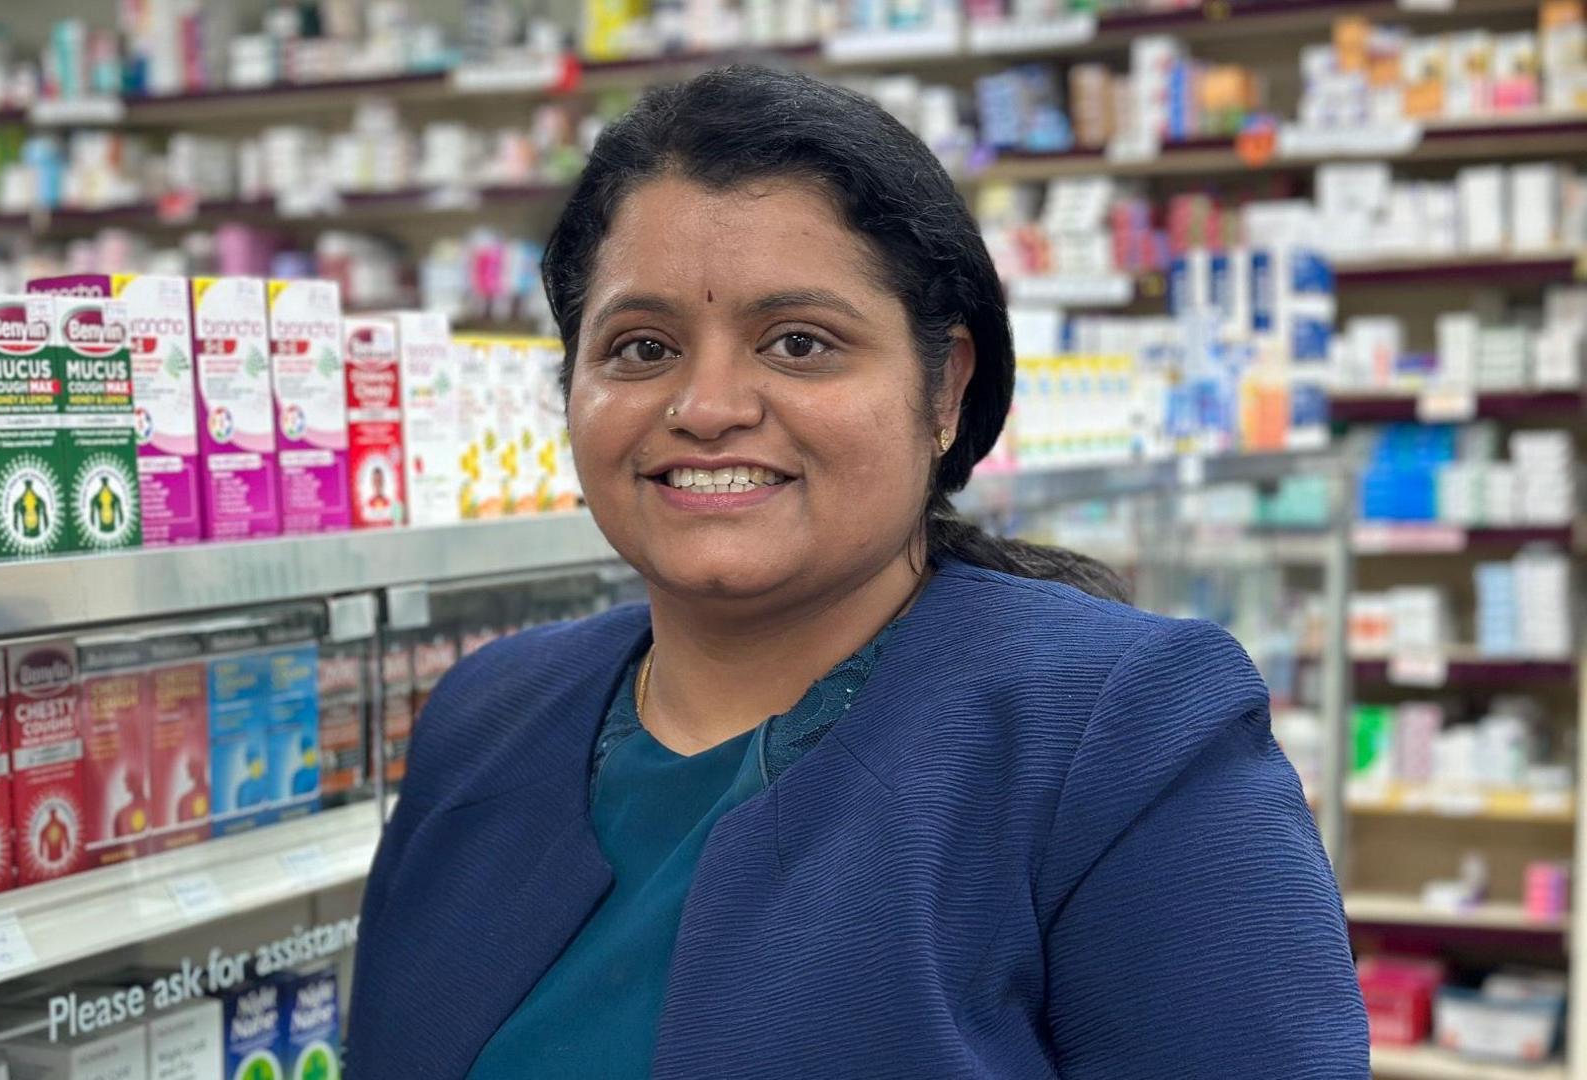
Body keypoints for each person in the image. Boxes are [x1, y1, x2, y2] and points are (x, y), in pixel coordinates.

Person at [347, 66, 1365, 1079]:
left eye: (799, 343)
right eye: (642, 346)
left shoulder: (1125, 738)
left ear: (945, 389)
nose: (706, 406)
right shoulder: (486, 716)